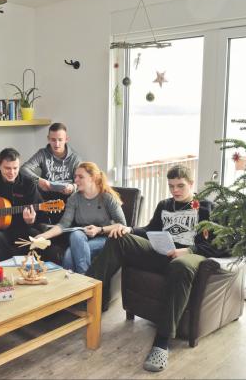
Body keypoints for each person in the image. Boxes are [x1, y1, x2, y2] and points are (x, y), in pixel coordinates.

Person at [89, 165, 230, 372]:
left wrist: (189, 250)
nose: (175, 191)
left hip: (188, 258)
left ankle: (162, 343)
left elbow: (221, 245)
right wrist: (128, 229)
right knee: (118, 238)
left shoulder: (206, 207)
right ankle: (88, 296)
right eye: (171, 186)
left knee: (179, 265)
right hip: (161, 253)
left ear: (191, 184)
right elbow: (149, 230)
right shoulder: (165, 204)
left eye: (180, 186)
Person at [34, 162, 126, 274]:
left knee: (69, 255)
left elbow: (122, 225)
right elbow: (63, 224)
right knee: (76, 233)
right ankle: (85, 283)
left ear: (93, 178)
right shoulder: (74, 198)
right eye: (75, 176)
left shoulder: (107, 198)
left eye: (80, 177)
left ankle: (82, 283)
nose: (76, 180)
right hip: (81, 237)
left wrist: (99, 229)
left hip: (105, 238)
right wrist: (43, 236)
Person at [21, 123, 82, 224]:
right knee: (31, 188)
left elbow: (82, 181)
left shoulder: (75, 158)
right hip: (45, 197)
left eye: (60, 140)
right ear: (48, 139)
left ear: (66, 139)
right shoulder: (42, 153)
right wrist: (39, 180)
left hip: (67, 197)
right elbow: (23, 169)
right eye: (53, 140)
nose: (56, 144)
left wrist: (73, 187)